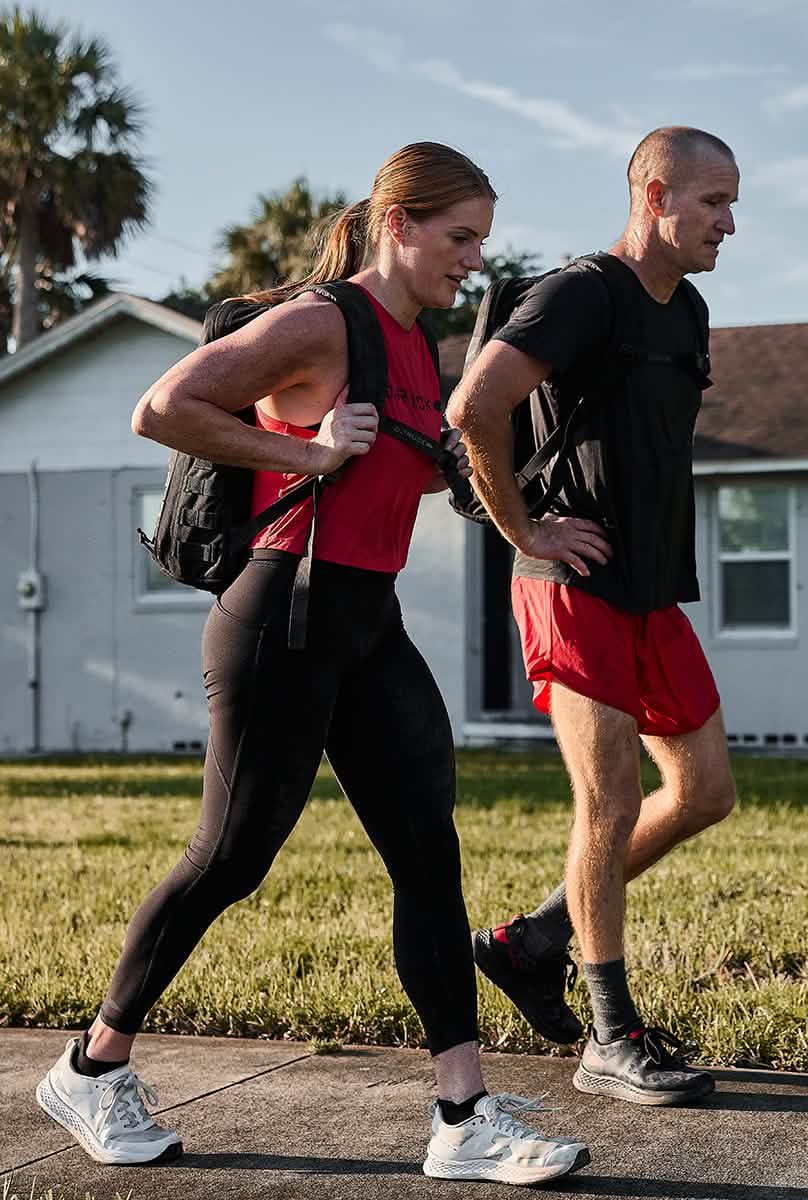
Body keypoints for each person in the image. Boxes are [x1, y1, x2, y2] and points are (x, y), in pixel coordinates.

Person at [35, 142, 589, 1187]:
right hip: (280, 617)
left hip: (367, 621)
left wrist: (524, 522)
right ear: (399, 223)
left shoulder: (420, 347)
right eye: (458, 236)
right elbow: (162, 407)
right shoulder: (322, 321)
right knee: (231, 859)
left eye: (481, 239)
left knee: (428, 852)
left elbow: (405, 474)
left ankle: (461, 1115)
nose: (473, 258)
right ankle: (90, 1065)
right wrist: (310, 453)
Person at [447, 126, 740, 1106]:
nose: (729, 224)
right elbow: (474, 408)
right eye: (713, 204)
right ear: (656, 195)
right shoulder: (580, 293)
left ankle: (534, 940)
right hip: (572, 587)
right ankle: (612, 1037)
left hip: (653, 588)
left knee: (703, 792)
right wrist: (524, 531)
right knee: (608, 803)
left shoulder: (688, 311)